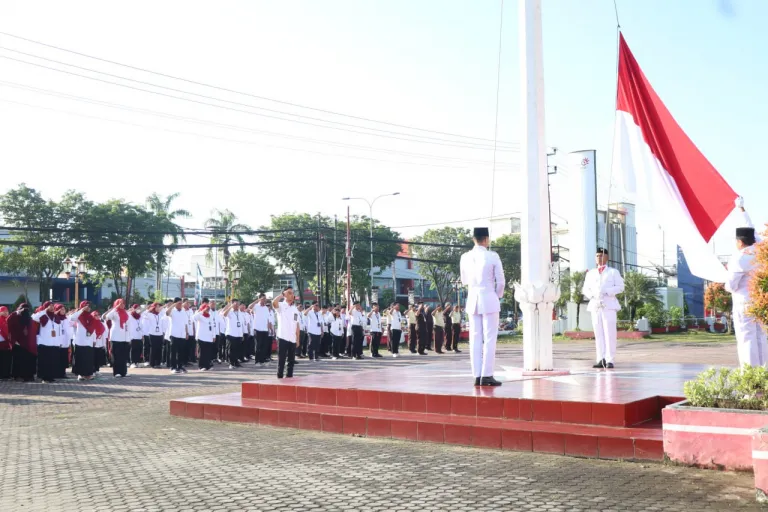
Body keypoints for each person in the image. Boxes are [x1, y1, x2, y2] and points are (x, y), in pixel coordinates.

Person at [460, 227, 505, 386]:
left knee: (475, 338)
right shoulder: (492, 256)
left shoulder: (465, 257)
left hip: (473, 299)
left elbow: (464, 280)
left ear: (474, 239)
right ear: (486, 239)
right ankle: (487, 375)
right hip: (489, 297)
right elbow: (501, 282)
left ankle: (477, 375)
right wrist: (496, 296)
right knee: (490, 338)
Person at [725, 197, 768, 366]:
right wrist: (741, 209)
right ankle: (763, 373)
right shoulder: (760, 250)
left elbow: (731, 285)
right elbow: (750, 228)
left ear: (740, 242)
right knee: (762, 338)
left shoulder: (739, 258)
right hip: (760, 303)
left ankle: (750, 376)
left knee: (746, 338)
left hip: (744, 303)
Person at [583, 248, 625, 369]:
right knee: (598, 333)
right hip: (596, 305)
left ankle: (609, 359)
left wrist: (607, 291)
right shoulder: (591, 273)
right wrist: (592, 294)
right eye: (597, 256)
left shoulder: (613, 272)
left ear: (607, 257)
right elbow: (585, 289)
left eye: (601, 256)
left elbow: (620, 287)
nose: (599, 258)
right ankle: (600, 358)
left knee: (609, 333)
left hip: (609, 305)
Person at [69, 301, 101, 381]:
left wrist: (94, 339)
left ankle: (88, 374)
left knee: (88, 359)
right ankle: (80, 374)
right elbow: (72, 318)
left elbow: (93, 329)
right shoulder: (79, 316)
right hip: (80, 341)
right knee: (80, 358)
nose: (88, 307)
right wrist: (81, 310)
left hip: (89, 341)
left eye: (89, 306)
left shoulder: (91, 317)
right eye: (86, 306)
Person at [272, 286, 300, 379]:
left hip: (292, 338)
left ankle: (289, 377)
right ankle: (279, 377)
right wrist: (281, 295)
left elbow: (297, 325)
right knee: (282, 359)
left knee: (291, 361)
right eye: (289, 293)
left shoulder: (295, 309)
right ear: (284, 294)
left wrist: (297, 339)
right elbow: (274, 303)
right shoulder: (281, 306)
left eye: (292, 293)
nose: (292, 295)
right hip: (283, 337)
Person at [31, 301, 60, 383]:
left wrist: (59, 341)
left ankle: (50, 377)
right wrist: (44, 310)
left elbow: (59, 330)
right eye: (49, 306)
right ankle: (44, 377)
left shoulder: (55, 317)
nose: (51, 307)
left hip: (53, 343)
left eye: (52, 306)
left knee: (52, 361)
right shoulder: (42, 315)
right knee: (44, 361)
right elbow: (33, 317)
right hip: (44, 342)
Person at [103, 299, 131, 378]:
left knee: (123, 356)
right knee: (116, 356)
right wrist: (115, 308)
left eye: (123, 303)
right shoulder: (114, 312)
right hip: (116, 337)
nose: (122, 305)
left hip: (124, 337)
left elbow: (128, 325)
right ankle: (117, 372)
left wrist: (128, 337)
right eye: (120, 304)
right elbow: (107, 317)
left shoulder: (126, 313)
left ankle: (124, 372)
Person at [165, 298, 189, 374]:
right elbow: (167, 313)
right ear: (175, 304)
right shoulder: (172, 311)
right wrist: (173, 305)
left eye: (181, 303)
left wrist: (187, 333)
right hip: (174, 334)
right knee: (173, 352)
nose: (181, 305)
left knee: (181, 352)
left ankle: (180, 366)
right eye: (179, 303)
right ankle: (173, 367)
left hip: (182, 334)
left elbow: (185, 323)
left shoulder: (183, 312)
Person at [221, 299, 244, 369]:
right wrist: (230, 306)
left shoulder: (240, 313)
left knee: (237, 349)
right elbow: (224, 314)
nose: (237, 305)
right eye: (235, 304)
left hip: (238, 334)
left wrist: (242, 334)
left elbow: (241, 324)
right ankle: (231, 363)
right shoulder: (230, 312)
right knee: (231, 349)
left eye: (238, 304)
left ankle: (236, 362)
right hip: (231, 334)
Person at [194, 303, 216, 371]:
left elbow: (213, 326)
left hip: (209, 337)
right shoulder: (200, 315)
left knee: (208, 352)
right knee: (202, 352)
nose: (208, 310)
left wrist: (214, 336)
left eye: (208, 309)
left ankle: (207, 366)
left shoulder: (210, 316)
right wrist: (202, 311)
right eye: (207, 309)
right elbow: (194, 318)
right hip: (201, 337)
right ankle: (201, 366)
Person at [142, 302, 165, 368]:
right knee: (153, 349)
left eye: (158, 307)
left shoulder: (161, 314)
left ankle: (158, 363)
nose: (158, 308)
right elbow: (144, 314)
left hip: (160, 334)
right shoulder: (151, 314)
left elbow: (165, 311)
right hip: (152, 334)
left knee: (159, 349)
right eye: (156, 307)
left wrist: (162, 307)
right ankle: (152, 363)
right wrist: (150, 309)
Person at [251, 294, 271, 366]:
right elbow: (249, 307)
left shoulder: (266, 308)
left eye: (265, 299)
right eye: (263, 298)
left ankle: (262, 361)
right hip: (257, 329)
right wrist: (257, 300)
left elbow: (267, 319)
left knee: (264, 346)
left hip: (265, 330)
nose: (264, 300)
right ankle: (257, 361)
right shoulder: (256, 306)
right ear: (259, 299)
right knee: (258, 346)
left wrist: (268, 329)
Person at [127, 304, 143, 369]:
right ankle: (133, 362)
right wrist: (131, 310)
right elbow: (126, 313)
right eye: (137, 308)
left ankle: (137, 362)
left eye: (139, 308)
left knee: (139, 349)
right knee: (133, 350)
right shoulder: (130, 315)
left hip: (139, 335)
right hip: (133, 336)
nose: (138, 309)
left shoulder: (140, 316)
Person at [0, 306, 12, 380]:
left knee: (7, 359)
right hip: (1, 343)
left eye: (7, 311)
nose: (5, 312)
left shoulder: (8, 319)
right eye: (3, 311)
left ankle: (6, 374)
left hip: (7, 343)